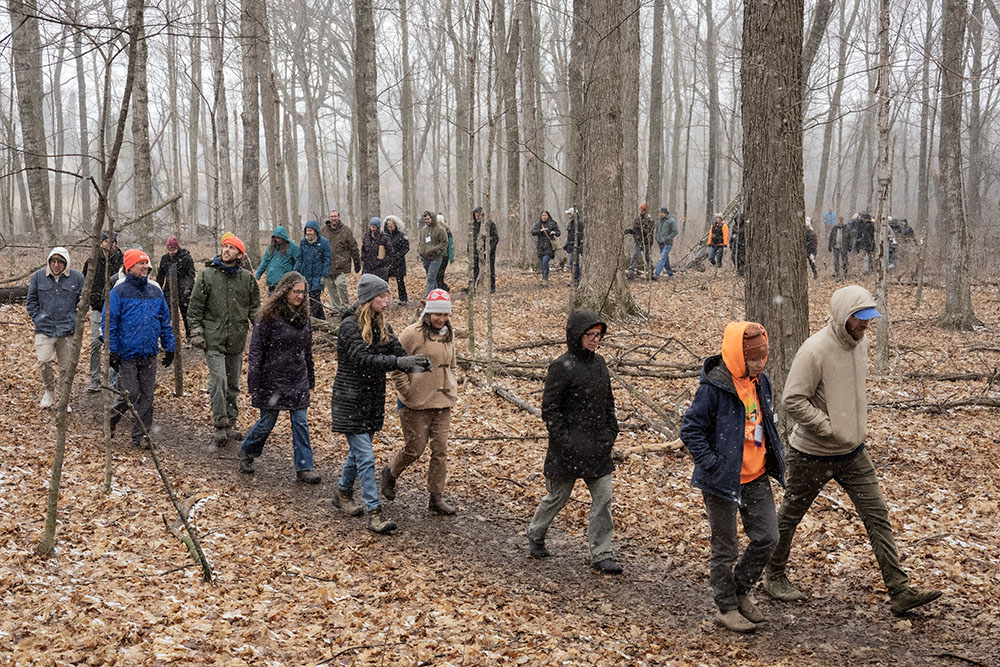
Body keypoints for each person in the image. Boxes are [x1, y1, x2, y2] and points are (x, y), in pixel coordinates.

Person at [762, 285, 942, 616]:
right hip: (811, 453)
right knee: (789, 516)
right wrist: (828, 427)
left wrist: (851, 430)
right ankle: (773, 574)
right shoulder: (814, 350)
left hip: (854, 453)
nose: (865, 326)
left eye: (869, 320)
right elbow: (792, 399)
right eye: (860, 320)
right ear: (844, 316)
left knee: (877, 516)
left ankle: (899, 590)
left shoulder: (861, 345)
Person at [680, 322, 786, 633]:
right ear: (739, 356)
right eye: (754, 358)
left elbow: (765, 421)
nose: (760, 363)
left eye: (763, 357)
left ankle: (741, 591)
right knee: (725, 546)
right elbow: (691, 430)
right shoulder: (714, 387)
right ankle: (725, 607)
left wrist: (774, 456)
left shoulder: (760, 381)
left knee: (768, 537)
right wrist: (712, 463)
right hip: (721, 480)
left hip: (756, 475)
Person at [330, 273, 431, 534]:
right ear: (369, 298)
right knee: (366, 456)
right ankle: (374, 512)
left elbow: (395, 351)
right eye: (382, 296)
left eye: (387, 295)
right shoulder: (349, 326)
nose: (387, 301)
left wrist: (415, 362)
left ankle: (342, 493)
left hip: (371, 400)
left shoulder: (381, 326)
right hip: (350, 399)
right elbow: (362, 359)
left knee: (358, 452)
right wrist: (399, 364)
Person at [527, 310, 622, 575]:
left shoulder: (600, 363)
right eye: (590, 335)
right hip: (566, 449)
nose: (595, 340)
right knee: (558, 495)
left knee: (603, 498)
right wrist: (567, 441)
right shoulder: (561, 366)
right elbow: (550, 409)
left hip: (598, 447)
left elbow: (608, 403)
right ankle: (535, 533)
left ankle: (602, 553)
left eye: (598, 335)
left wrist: (611, 431)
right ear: (576, 336)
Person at [238, 272, 320, 483]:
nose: (300, 296)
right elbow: (256, 351)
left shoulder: (304, 318)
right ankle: (247, 451)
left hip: (297, 377)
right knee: (267, 421)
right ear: (285, 291)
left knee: (300, 422)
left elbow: (307, 350)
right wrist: (254, 380)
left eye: (302, 292)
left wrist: (310, 376)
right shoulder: (268, 318)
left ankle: (304, 467)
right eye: (296, 292)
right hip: (272, 378)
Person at [382, 289, 459, 514]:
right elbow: (396, 366)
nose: (441, 319)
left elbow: (452, 363)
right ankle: (391, 472)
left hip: (443, 401)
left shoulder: (448, 333)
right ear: (427, 312)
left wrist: (451, 383)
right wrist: (407, 392)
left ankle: (436, 497)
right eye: (437, 314)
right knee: (415, 449)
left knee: (440, 450)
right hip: (415, 403)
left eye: (445, 315)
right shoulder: (411, 334)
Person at [188, 235, 261, 448]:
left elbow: (255, 308)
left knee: (232, 384)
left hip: (237, 338)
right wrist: (196, 331)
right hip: (213, 338)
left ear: (239, 254)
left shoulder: (247, 279)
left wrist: (261, 328)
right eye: (225, 247)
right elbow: (195, 307)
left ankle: (231, 421)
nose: (226, 250)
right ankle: (220, 423)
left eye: (231, 248)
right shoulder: (207, 275)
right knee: (218, 380)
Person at [105, 249, 175, 446]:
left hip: (149, 353)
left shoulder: (155, 291)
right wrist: (113, 350)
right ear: (129, 267)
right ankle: (110, 420)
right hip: (126, 354)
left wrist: (170, 347)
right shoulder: (118, 292)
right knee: (130, 394)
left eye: (146, 264)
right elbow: (109, 323)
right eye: (140, 263)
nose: (145, 267)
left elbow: (164, 321)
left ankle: (141, 436)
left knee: (147, 396)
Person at [27, 246, 85, 409]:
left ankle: (64, 398)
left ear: (66, 263)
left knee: (66, 367)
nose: (56, 265)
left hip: (67, 329)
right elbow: (31, 301)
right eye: (53, 261)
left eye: (60, 261)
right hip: (44, 328)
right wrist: (38, 318)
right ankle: (49, 390)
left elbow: (83, 301)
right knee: (43, 361)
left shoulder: (77, 278)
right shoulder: (39, 276)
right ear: (49, 262)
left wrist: (75, 318)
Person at [82, 233, 123, 392]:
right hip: (98, 308)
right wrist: (92, 300)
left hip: (117, 309)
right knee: (95, 342)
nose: (110, 244)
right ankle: (95, 378)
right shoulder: (91, 262)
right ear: (100, 243)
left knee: (115, 344)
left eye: (112, 241)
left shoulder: (122, 261)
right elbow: (85, 283)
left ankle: (114, 381)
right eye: (106, 241)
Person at [321, 210, 361, 315]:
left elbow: (353, 247)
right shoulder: (323, 231)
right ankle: (336, 308)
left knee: (340, 284)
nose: (333, 218)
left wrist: (357, 261)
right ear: (329, 218)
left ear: (338, 217)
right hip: (328, 264)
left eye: (335, 216)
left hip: (341, 263)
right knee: (330, 287)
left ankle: (345, 306)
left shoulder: (346, 231)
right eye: (331, 216)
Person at [155, 236, 196, 336]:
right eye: (169, 250)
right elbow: (161, 275)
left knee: (186, 314)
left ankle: (189, 336)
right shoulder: (165, 259)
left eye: (172, 249)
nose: (171, 252)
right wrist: (157, 287)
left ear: (177, 247)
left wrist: (187, 288)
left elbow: (191, 275)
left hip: (184, 290)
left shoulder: (185, 257)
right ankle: (165, 336)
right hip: (169, 290)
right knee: (166, 314)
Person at [294, 220, 332, 320]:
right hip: (305, 275)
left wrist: (324, 275)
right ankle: (321, 319)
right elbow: (299, 258)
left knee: (314, 298)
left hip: (318, 276)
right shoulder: (303, 242)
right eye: (307, 231)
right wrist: (295, 271)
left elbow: (327, 260)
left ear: (315, 231)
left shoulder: (324, 243)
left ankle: (312, 320)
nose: (309, 233)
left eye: (310, 231)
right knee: (310, 298)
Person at [256, 226, 300, 293]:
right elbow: (265, 262)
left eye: (280, 238)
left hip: (285, 282)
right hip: (272, 281)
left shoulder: (292, 247)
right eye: (276, 238)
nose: (278, 240)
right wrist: (258, 275)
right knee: (272, 301)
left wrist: (294, 275)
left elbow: (298, 262)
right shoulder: (271, 247)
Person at [417, 210, 448, 297]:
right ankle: (435, 296)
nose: (426, 221)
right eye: (425, 219)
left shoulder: (440, 230)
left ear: (432, 218)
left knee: (431, 278)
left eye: (428, 219)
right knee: (431, 279)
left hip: (436, 258)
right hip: (425, 258)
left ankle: (428, 296)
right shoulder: (423, 230)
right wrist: (420, 250)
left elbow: (444, 243)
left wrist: (436, 250)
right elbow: (421, 242)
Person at [472, 206, 499, 293]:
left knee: (490, 269)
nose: (477, 218)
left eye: (479, 216)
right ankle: (473, 286)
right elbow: (472, 238)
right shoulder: (474, 225)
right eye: (476, 216)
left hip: (488, 252)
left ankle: (492, 287)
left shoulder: (490, 224)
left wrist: (489, 249)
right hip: (477, 251)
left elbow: (495, 238)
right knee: (475, 268)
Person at [383, 216, 410, 304]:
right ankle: (384, 299)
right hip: (387, 261)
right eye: (388, 226)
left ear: (395, 225)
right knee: (384, 281)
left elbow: (406, 248)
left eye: (391, 226)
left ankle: (403, 299)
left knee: (400, 281)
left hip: (398, 262)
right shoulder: (384, 236)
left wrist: (398, 255)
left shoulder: (401, 236)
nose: (389, 228)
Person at [625, 202, 655, 280]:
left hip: (646, 242)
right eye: (640, 210)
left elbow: (649, 231)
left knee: (647, 257)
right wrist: (630, 231)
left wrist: (642, 228)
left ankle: (651, 272)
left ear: (646, 211)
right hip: (638, 241)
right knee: (634, 256)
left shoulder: (650, 219)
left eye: (643, 211)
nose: (641, 212)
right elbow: (636, 231)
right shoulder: (637, 219)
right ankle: (631, 272)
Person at [531, 210, 560, 287]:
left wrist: (554, 232)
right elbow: (533, 232)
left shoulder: (552, 223)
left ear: (548, 216)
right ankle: (544, 278)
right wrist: (541, 230)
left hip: (549, 246)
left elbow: (558, 233)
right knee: (542, 264)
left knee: (545, 262)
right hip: (540, 247)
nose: (544, 217)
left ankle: (545, 279)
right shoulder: (539, 224)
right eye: (543, 215)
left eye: (545, 215)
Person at [361, 217, 393, 281]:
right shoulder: (366, 236)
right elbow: (363, 250)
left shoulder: (385, 238)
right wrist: (364, 258)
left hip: (381, 270)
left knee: (380, 289)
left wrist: (382, 262)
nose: (372, 229)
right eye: (371, 227)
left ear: (378, 227)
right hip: (368, 268)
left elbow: (390, 253)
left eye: (374, 227)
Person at [653, 206, 678, 280]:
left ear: (665, 213)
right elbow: (657, 231)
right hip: (660, 243)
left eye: (662, 213)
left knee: (662, 258)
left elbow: (675, 232)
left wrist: (667, 238)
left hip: (667, 243)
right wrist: (657, 238)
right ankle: (670, 274)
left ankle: (656, 274)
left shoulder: (671, 221)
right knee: (665, 260)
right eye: (659, 213)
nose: (660, 214)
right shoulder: (659, 221)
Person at [564, 208, 584, 285]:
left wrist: (580, 245)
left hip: (577, 246)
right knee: (573, 262)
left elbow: (580, 235)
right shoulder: (571, 223)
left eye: (569, 214)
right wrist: (567, 245)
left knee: (574, 262)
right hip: (572, 245)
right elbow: (570, 235)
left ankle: (577, 279)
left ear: (573, 214)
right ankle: (576, 278)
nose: (568, 215)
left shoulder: (579, 223)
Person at [434, 214, 454, 292]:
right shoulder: (434, 230)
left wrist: (451, 256)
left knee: (439, 272)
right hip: (439, 255)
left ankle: (441, 286)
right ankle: (442, 286)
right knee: (439, 272)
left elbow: (450, 245)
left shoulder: (447, 231)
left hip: (443, 255)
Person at [828, 216, 850, 281]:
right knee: (836, 261)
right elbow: (831, 237)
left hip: (844, 247)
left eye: (842, 221)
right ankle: (837, 274)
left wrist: (849, 246)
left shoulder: (847, 228)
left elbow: (849, 238)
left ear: (843, 221)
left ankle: (845, 274)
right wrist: (830, 246)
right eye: (839, 221)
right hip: (836, 247)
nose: (840, 222)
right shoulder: (834, 228)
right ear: (837, 221)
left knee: (845, 261)